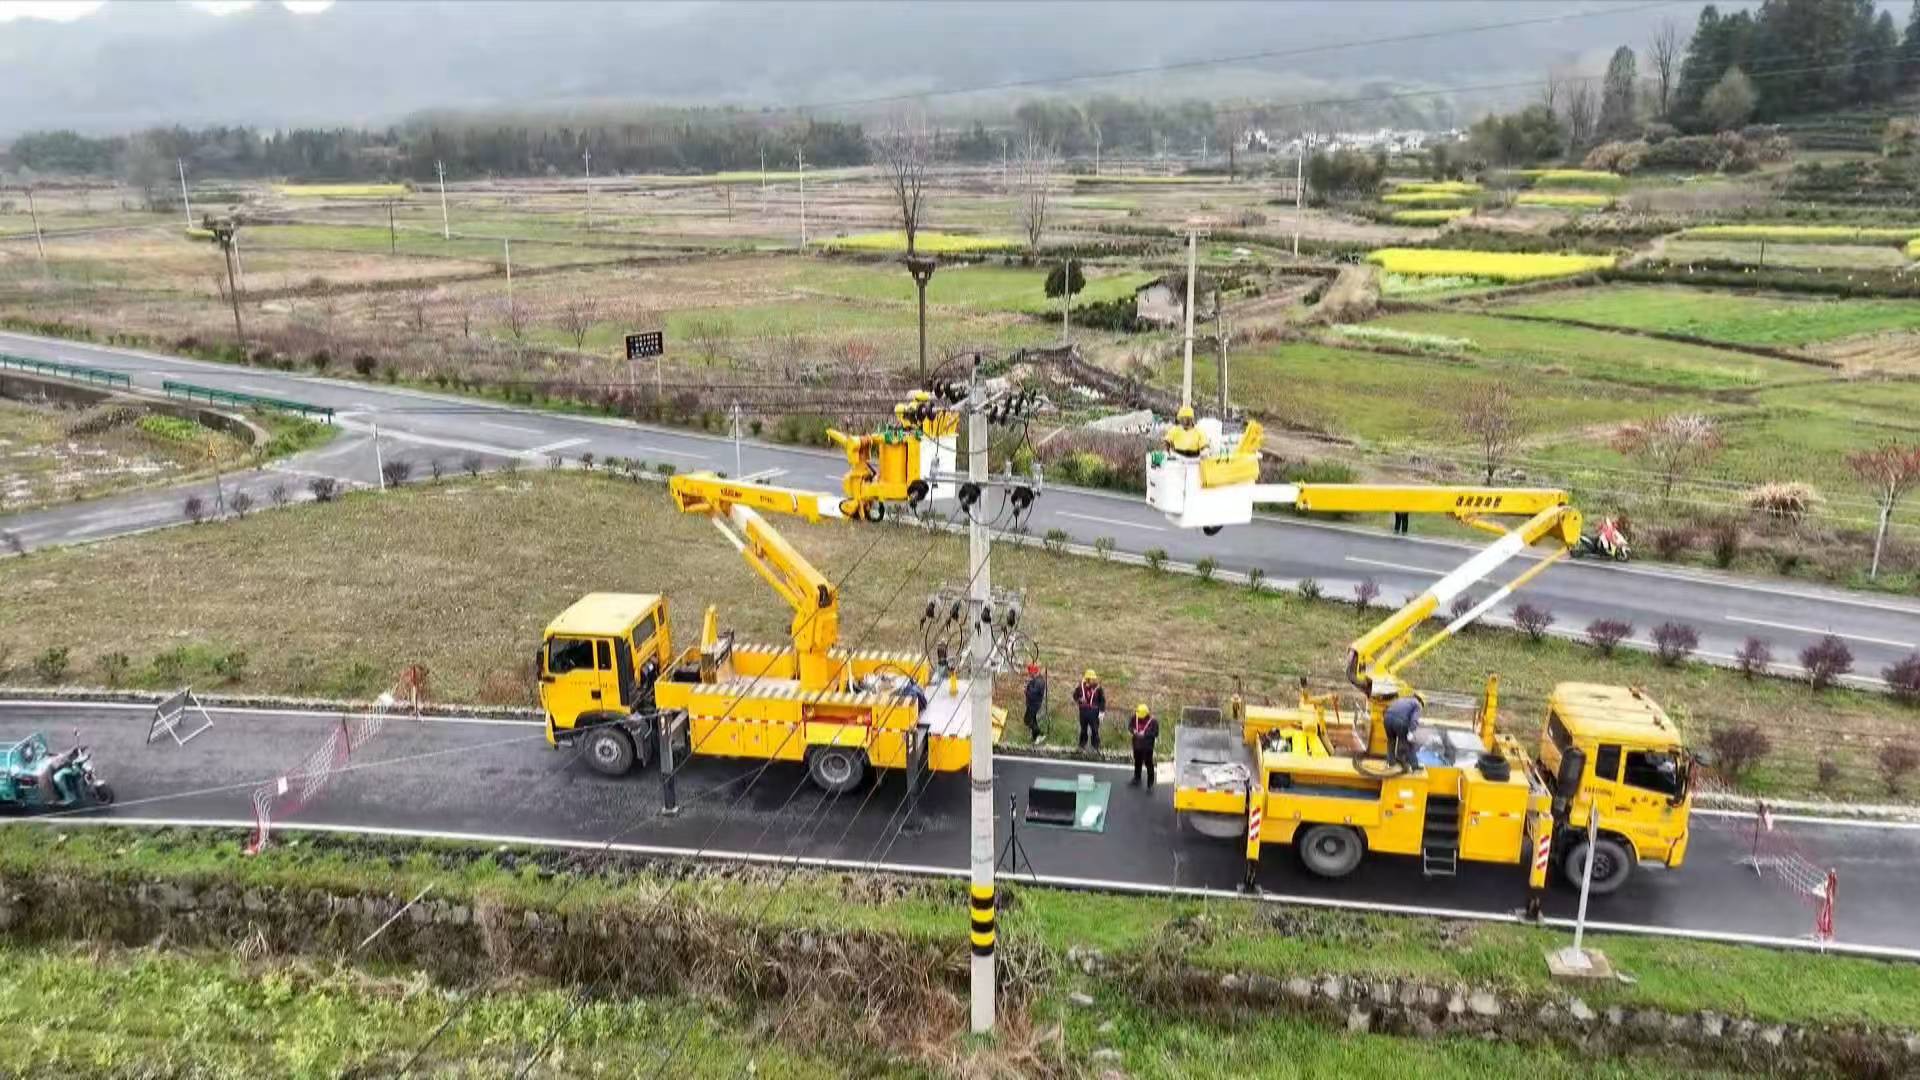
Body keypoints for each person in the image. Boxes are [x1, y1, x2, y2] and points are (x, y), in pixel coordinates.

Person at [1380, 688, 1424, 772]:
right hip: (1399, 721)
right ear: (1421, 701)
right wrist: (1411, 732)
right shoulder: (1417, 704)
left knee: (1391, 741)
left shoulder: (1402, 699)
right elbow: (1414, 720)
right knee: (1407, 743)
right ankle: (1413, 766)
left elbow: (1389, 709)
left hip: (1387, 718)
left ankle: (1390, 763)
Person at [1072, 670, 1106, 751]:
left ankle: (1095, 746)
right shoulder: (1080, 687)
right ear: (1087, 679)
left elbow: (1102, 701)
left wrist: (1101, 712)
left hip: (1094, 712)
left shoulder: (1098, 688)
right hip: (1083, 711)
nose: (1094, 680)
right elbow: (1075, 696)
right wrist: (1080, 700)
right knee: (1083, 729)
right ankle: (1082, 745)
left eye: (1094, 679)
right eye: (1092, 679)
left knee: (1095, 730)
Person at [1129, 703, 1160, 789]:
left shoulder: (1153, 721)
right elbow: (1130, 726)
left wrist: (1145, 734)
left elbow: (1155, 733)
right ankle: (1137, 778)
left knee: (1148, 763)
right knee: (1137, 762)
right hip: (1136, 744)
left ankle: (1150, 782)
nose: (1139, 717)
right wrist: (1134, 731)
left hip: (1147, 747)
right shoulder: (1134, 717)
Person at [1022, 664, 1048, 745]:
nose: (1029, 674)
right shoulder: (1036, 680)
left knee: (1027, 720)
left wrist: (1026, 691)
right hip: (1032, 703)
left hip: (1034, 704)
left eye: (1030, 673)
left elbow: (1033, 693)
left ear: (1034, 672)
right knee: (1033, 720)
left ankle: (1040, 734)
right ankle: (1035, 737)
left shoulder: (1038, 681)